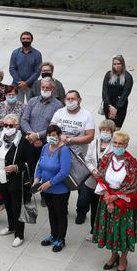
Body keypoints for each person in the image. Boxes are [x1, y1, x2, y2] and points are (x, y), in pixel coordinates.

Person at [93, 130, 137, 271]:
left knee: (123, 232)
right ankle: (114, 255)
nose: (117, 145)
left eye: (120, 143)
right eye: (115, 143)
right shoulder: (107, 157)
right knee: (110, 229)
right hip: (107, 198)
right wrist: (107, 196)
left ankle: (123, 259)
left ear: (126, 145)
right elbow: (100, 177)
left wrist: (114, 198)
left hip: (123, 203)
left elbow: (131, 185)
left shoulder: (131, 162)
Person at [0, 114, 34, 247]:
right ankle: (11, 227)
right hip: (1, 179)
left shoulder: (23, 142)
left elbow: (30, 163)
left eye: (11, 126)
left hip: (16, 182)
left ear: (17, 126)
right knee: (7, 205)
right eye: (5, 125)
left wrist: (16, 167)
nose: (7, 128)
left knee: (17, 208)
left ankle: (19, 234)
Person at [51, 90, 96, 224]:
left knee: (82, 188)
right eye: (68, 99)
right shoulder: (59, 112)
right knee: (62, 183)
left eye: (73, 99)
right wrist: (59, 137)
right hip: (60, 154)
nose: (70, 101)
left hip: (79, 156)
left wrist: (70, 140)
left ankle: (81, 211)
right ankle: (62, 207)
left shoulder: (86, 115)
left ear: (79, 100)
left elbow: (90, 136)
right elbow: (51, 128)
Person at [34, 125, 72, 252]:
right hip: (45, 188)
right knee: (51, 212)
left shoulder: (64, 150)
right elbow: (40, 164)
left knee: (60, 214)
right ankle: (53, 235)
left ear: (60, 135)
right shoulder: (45, 147)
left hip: (59, 190)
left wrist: (50, 183)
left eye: (54, 135)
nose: (51, 137)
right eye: (49, 135)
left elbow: (64, 172)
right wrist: (37, 179)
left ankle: (61, 238)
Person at [83, 119, 117, 241]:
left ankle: (105, 231)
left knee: (103, 207)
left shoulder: (114, 146)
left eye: (108, 130)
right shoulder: (94, 143)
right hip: (92, 180)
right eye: (103, 130)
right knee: (92, 205)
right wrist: (93, 170)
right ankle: (93, 230)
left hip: (106, 183)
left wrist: (102, 174)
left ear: (112, 132)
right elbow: (87, 159)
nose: (105, 132)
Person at [20, 78, 64, 163]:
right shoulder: (32, 101)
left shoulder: (58, 106)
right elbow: (24, 120)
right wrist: (32, 135)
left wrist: (38, 136)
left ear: (53, 89)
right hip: (28, 140)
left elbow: (55, 127)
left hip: (45, 143)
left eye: (47, 88)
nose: (44, 89)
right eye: (42, 87)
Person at [101, 55, 134, 128]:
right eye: (114, 64)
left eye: (119, 63)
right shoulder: (108, 74)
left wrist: (116, 108)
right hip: (109, 104)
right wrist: (109, 106)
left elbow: (125, 94)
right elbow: (104, 91)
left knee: (116, 128)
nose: (116, 66)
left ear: (123, 64)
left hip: (120, 105)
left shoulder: (128, 77)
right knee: (108, 127)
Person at [9, 31, 42, 102]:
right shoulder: (15, 52)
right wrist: (20, 82)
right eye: (23, 39)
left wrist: (26, 83)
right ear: (20, 40)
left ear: (31, 40)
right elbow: (12, 68)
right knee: (16, 106)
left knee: (32, 105)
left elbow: (38, 71)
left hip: (31, 86)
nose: (25, 40)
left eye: (28, 38)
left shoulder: (37, 54)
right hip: (17, 85)